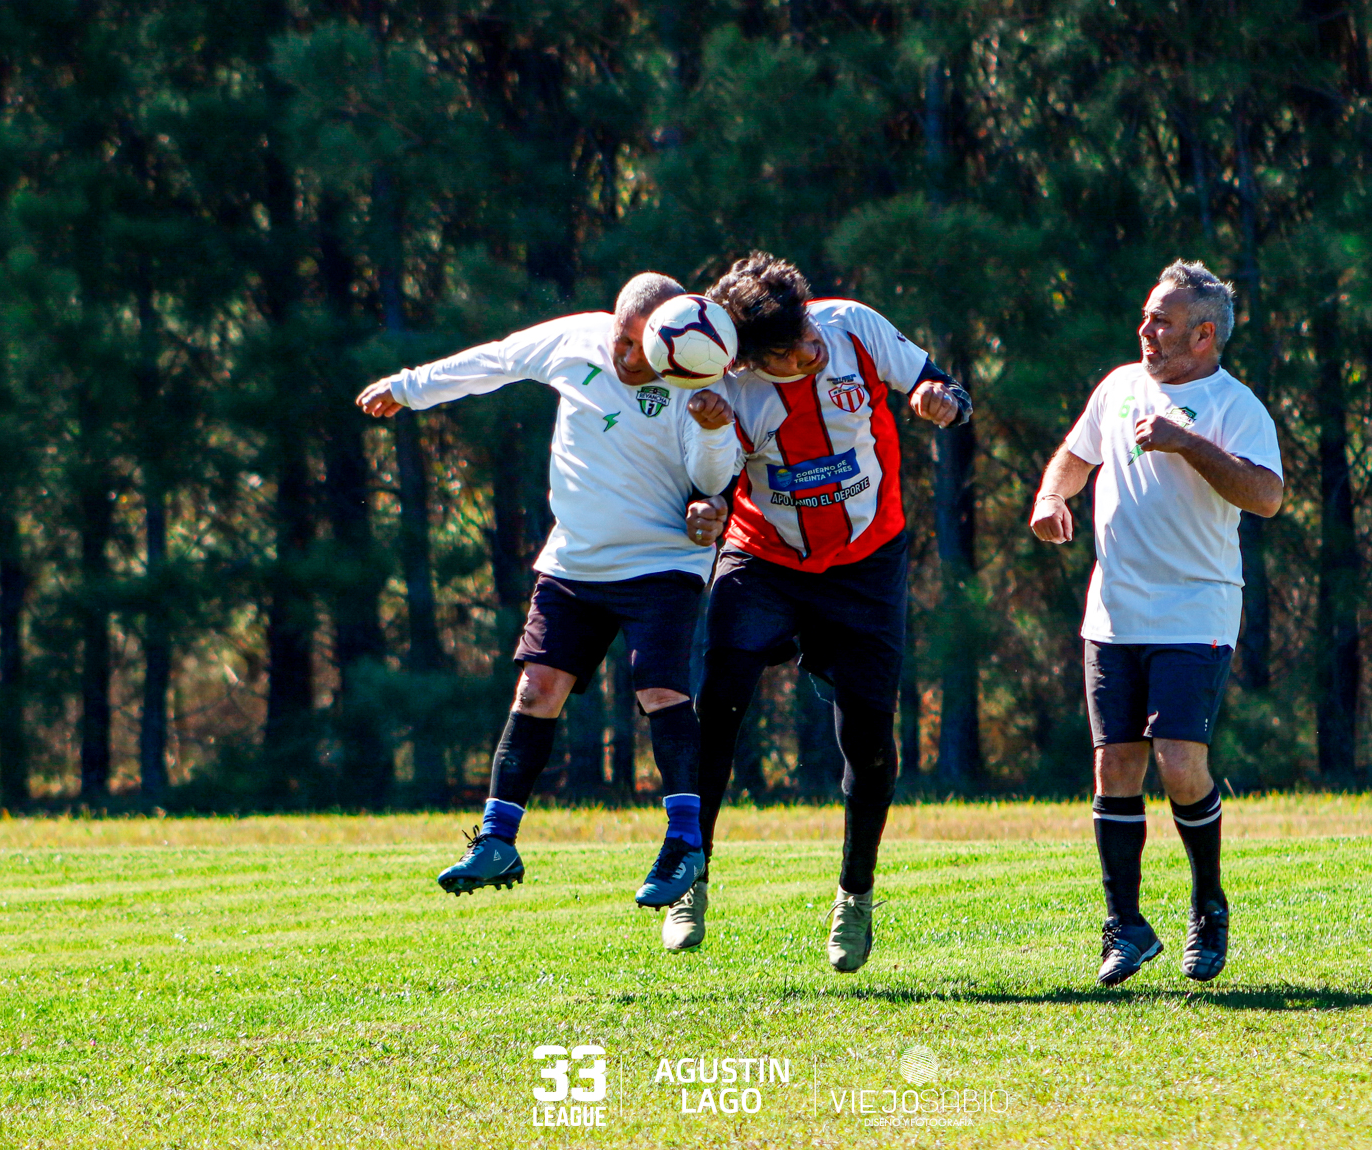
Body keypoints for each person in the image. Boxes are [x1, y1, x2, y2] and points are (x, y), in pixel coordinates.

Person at [355, 274, 740, 917]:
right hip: (575, 561)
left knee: (659, 691)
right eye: (621, 339)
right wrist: (409, 386)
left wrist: (711, 434)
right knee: (536, 690)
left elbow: (711, 477)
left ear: (670, 341)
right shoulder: (575, 338)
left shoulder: (698, 380)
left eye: (641, 346)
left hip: (662, 563)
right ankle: (497, 841)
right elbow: (496, 360)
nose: (627, 356)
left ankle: (684, 845)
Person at [668, 252, 970, 969]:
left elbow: (943, 384)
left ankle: (854, 895)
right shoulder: (726, 389)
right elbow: (708, 485)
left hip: (867, 562)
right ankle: (690, 874)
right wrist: (704, 511)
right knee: (719, 705)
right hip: (765, 558)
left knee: (868, 742)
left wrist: (942, 400)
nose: (811, 347)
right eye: (789, 349)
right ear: (748, 359)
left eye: (806, 328)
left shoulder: (852, 326)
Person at [1029, 260, 1282, 987]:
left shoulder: (1236, 405)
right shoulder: (1117, 386)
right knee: (1115, 765)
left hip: (1197, 607)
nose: (1145, 329)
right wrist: (1051, 497)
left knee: (1177, 760)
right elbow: (1074, 457)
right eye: (1146, 316)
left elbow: (1266, 496)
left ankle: (1208, 910)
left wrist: (1187, 442)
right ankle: (1127, 927)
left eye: (1162, 321)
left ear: (1203, 336)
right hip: (1113, 611)